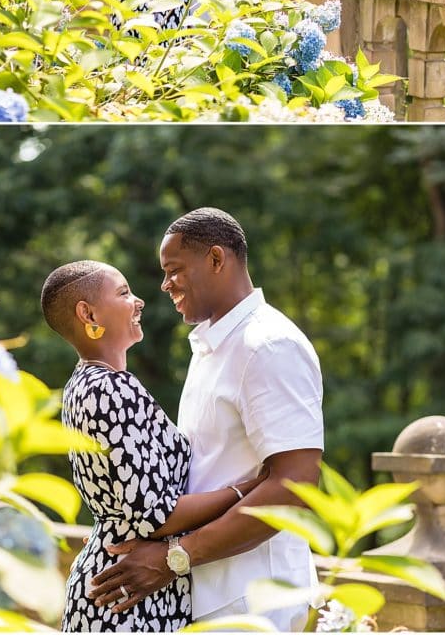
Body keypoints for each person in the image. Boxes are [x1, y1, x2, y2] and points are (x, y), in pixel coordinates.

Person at [87, 208, 324, 631]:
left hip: (253, 600)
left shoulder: (267, 346)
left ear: (216, 259)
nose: (164, 285)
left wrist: (175, 557)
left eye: (174, 270)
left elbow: (295, 485)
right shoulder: (214, 347)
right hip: (207, 592)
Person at [41, 259, 268, 632]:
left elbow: (133, 503)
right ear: (88, 312)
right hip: (127, 599)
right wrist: (250, 487)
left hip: (128, 586)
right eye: (124, 292)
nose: (139, 301)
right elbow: (156, 514)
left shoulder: (90, 384)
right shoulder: (109, 389)